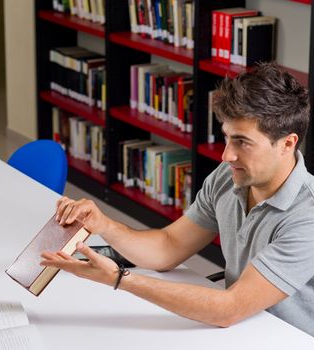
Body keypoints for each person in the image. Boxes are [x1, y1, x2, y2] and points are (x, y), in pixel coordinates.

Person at [41, 62, 314, 336]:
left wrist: (119, 279)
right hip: (242, 329)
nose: (226, 155)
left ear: (287, 144)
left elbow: (229, 308)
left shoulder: (308, 216)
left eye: (242, 142)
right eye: (227, 138)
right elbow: (168, 247)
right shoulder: (227, 177)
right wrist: (104, 225)